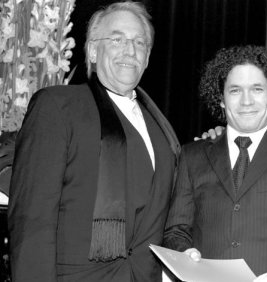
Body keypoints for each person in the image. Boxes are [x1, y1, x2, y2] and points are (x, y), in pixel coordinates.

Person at [8, 2, 180, 281]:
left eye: (140, 42)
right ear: (92, 50)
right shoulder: (58, 107)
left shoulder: (162, 130)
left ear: (148, 57)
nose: (130, 50)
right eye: (116, 39)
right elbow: (32, 222)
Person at [163, 45, 267, 282]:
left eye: (257, 89)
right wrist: (183, 254)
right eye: (235, 90)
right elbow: (176, 230)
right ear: (221, 98)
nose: (246, 101)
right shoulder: (192, 156)